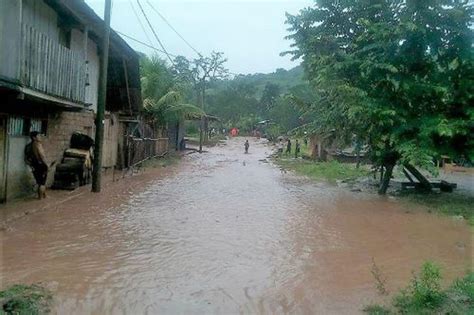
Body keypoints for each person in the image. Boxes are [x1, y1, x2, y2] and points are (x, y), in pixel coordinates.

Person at [25, 131, 49, 199]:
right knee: (42, 182)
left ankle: (44, 196)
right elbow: (42, 156)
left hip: (34, 165)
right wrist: (46, 164)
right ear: (34, 138)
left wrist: (31, 166)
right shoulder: (38, 144)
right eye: (38, 136)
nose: (40, 137)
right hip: (41, 164)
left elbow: (26, 159)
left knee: (39, 182)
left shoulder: (28, 146)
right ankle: (40, 198)